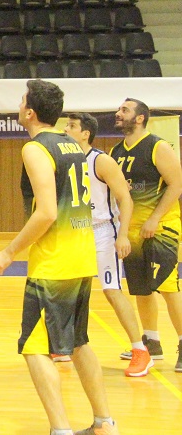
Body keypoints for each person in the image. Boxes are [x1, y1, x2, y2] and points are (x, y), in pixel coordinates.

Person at [0, 80, 119, 435]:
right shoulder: (72, 144)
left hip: (55, 261)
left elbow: (46, 212)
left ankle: (60, 429)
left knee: (34, 347)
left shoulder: (35, 148)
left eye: (21, 101)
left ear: (30, 112)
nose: (18, 106)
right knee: (79, 342)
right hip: (81, 254)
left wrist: (9, 251)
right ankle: (104, 422)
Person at [65, 112, 149, 376]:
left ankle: (140, 350)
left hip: (103, 231)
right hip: (76, 231)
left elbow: (126, 199)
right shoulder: (65, 159)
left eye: (71, 126)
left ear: (85, 133)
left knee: (112, 290)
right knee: (69, 289)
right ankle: (67, 343)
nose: (65, 129)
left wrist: (122, 235)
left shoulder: (101, 161)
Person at [110, 98, 182, 374]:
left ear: (140, 118)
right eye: (119, 109)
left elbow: (177, 184)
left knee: (168, 287)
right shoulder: (116, 151)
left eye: (124, 110)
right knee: (141, 288)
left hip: (161, 228)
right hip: (132, 231)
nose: (118, 113)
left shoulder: (157, 146)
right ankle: (151, 342)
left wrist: (154, 218)